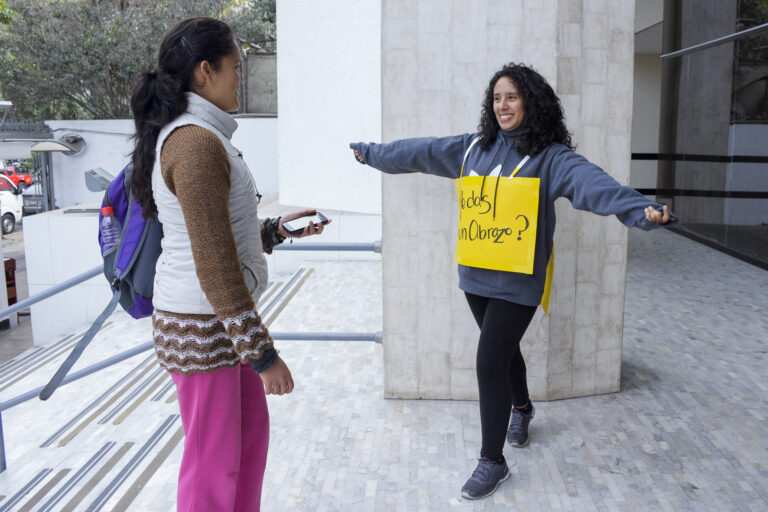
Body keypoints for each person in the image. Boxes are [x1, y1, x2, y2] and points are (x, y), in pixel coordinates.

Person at [350, 62, 676, 500]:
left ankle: (492, 461)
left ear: (531, 102)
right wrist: (372, 153)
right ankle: (521, 407)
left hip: (520, 282)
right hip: (476, 274)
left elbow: (594, 185)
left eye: (512, 97)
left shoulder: (551, 158)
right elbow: (420, 152)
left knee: (489, 360)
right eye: (497, 98)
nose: (503, 105)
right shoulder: (472, 149)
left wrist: (640, 211)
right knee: (502, 350)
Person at [130, 17, 327, 511]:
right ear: (204, 71)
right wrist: (264, 357)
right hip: (202, 329)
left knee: (247, 446)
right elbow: (214, 266)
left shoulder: (206, 136)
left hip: (219, 328)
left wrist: (274, 231)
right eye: (236, 68)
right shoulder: (194, 144)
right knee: (213, 466)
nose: (241, 77)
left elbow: (218, 235)